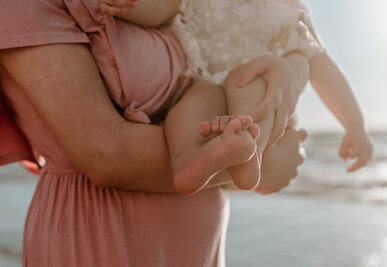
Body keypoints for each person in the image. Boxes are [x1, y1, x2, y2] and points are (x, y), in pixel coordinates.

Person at [0, 0, 307, 266]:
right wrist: (268, 159)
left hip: (199, 241)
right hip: (100, 233)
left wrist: (288, 73)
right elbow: (104, 154)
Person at [100, 0, 374, 194]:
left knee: (249, 86)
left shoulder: (290, 10)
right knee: (189, 109)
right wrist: (128, 5)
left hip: (260, 87)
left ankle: (249, 154)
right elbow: (158, 8)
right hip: (205, 80)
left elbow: (323, 67)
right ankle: (187, 162)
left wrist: (354, 124)